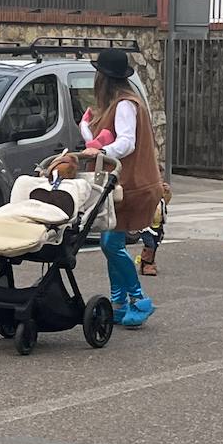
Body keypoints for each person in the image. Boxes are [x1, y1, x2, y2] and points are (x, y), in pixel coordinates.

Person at [78, 47, 164, 328]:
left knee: (110, 243)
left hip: (128, 185)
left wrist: (100, 152)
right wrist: (86, 130)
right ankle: (119, 303)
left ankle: (138, 299)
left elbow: (126, 143)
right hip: (121, 184)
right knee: (110, 243)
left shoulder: (124, 105)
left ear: (102, 78)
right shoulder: (122, 103)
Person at [136, 178, 172, 277]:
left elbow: (167, 200)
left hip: (158, 226)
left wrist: (168, 191)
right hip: (146, 226)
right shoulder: (147, 197)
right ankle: (146, 265)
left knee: (155, 245)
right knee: (149, 245)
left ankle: (150, 262)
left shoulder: (161, 200)